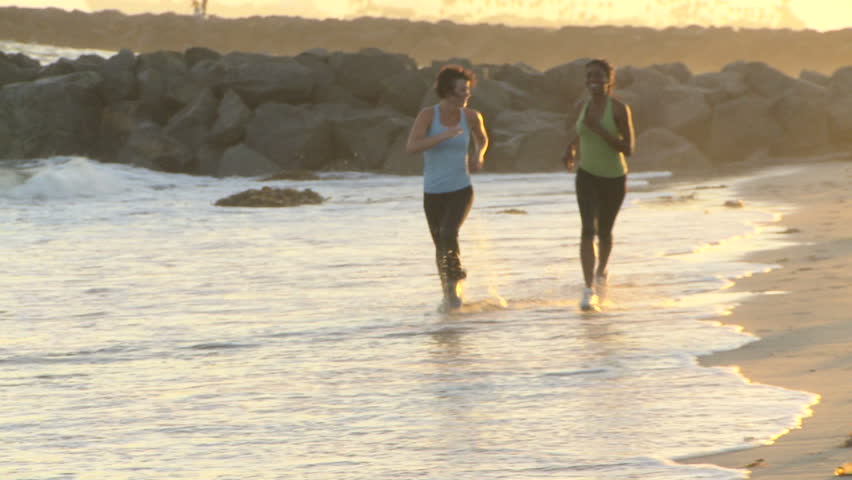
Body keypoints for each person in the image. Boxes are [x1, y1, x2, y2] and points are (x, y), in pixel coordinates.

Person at [406, 64, 489, 310]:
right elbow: (411, 147)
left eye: (468, 90)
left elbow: (483, 138)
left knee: (448, 232)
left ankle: (456, 275)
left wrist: (479, 154)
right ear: (448, 91)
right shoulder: (428, 115)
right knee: (440, 244)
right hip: (432, 192)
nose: (467, 95)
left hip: (461, 189)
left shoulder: (472, 116)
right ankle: (449, 294)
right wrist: (443, 136)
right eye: (462, 90)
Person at [563, 59, 635, 311]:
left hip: (614, 178)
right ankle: (587, 288)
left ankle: (601, 271)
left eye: (598, 76)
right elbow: (581, 131)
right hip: (587, 175)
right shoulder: (581, 105)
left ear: (609, 80)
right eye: (589, 76)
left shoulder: (618, 109)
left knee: (604, 232)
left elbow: (628, 149)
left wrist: (601, 131)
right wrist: (570, 149)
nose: (593, 80)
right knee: (586, 230)